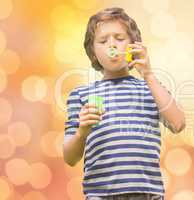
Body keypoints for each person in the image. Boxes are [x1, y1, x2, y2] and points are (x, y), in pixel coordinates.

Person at [63, 7, 185, 200]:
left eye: (119, 39)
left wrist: (149, 75)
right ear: (94, 53)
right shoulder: (81, 95)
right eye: (103, 41)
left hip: (147, 194)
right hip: (99, 195)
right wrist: (81, 133)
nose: (112, 45)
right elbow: (70, 158)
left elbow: (178, 124)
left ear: (133, 46)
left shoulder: (151, 89)